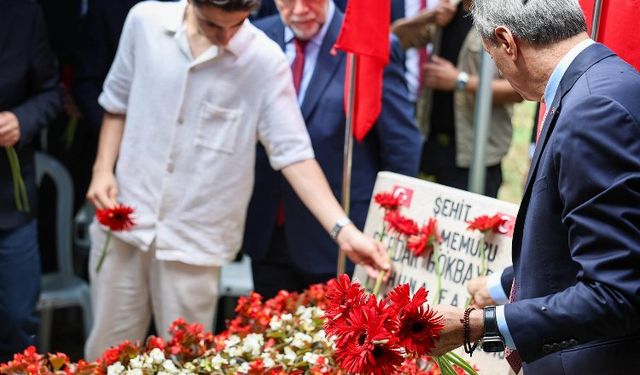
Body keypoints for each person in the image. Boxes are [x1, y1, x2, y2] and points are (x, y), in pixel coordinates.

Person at [84, 0, 390, 360]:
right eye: (215, 27)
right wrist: (102, 168)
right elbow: (116, 101)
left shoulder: (264, 58)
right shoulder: (144, 21)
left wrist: (345, 231)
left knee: (187, 359)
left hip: (197, 239)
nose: (228, 36)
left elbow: (293, 154)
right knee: (107, 352)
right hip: (126, 219)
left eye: (238, 25)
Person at [431, 0, 640, 373]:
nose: (498, 68)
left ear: (507, 42)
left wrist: (481, 325)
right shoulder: (606, 79)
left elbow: (616, 291)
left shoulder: (593, 111)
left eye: (492, 57)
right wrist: (503, 284)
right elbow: (582, 243)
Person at [242, 0, 422, 299]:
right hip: (268, 228)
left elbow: (401, 145)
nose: (299, 10)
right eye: (287, 1)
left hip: (341, 234)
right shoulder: (255, 38)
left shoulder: (365, 44)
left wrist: (387, 223)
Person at [392, 0, 522, 198]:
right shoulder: (447, 11)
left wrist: (460, 81)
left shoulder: (505, 16)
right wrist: (428, 16)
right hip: (430, 145)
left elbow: (519, 90)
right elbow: (392, 39)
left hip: (476, 157)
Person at [0, 0, 63, 362]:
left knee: (19, 320)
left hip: (11, 201)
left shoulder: (22, 12)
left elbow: (51, 92)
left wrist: (21, 119)